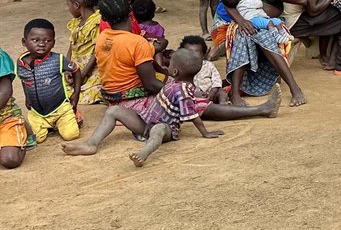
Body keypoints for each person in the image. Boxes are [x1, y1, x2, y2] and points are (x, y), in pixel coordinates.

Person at [63, 47, 223, 167]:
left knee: (158, 129)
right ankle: (91, 143)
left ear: (174, 71)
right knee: (113, 110)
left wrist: (205, 133)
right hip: (145, 121)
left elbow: (192, 114)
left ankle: (144, 153)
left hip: (167, 129)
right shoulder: (176, 81)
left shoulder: (184, 90)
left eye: (170, 65)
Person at [225, 0, 308, 105]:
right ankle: (235, 95)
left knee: (263, 36)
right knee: (243, 36)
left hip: (269, 22)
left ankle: (295, 89)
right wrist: (241, 21)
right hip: (243, 20)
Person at [93, 0, 162, 117]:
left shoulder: (102, 37)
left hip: (112, 99)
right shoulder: (137, 42)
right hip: (135, 102)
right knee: (184, 97)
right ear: (131, 11)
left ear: (103, 18)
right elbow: (150, 84)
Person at [16, 19, 81, 144]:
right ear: (24, 42)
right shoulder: (20, 63)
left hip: (60, 107)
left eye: (47, 41)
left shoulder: (58, 59)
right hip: (37, 111)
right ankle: (50, 124)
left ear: (53, 42)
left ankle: (72, 116)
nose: (41, 44)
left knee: (71, 135)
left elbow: (76, 70)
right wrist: (27, 98)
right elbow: (25, 81)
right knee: (37, 139)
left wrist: (76, 93)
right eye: (35, 40)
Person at [66, 0, 104, 108]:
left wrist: (82, 75)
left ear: (76, 5)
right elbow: (71, 47)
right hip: (76, 68)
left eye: (68, 5)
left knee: (96, 90)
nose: (69, 9)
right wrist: (67, 68)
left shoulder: (97, 23)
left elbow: (97, 53)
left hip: (91, 69)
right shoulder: (75, 23)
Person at [0, 48, 31, 169]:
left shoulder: (0, 56)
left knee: (10, 160)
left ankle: (23, 132)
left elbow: (5, 91)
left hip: (6, 119)